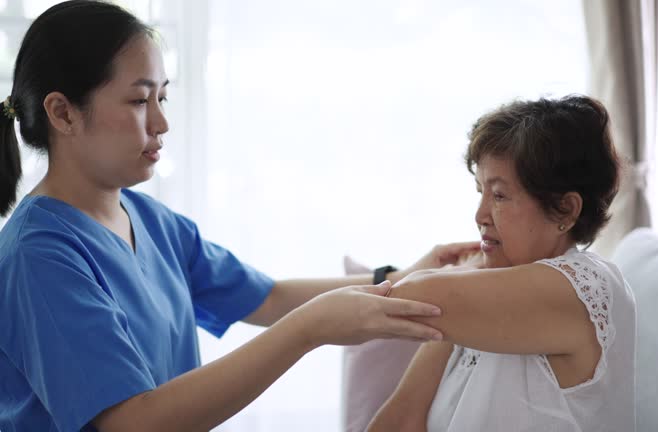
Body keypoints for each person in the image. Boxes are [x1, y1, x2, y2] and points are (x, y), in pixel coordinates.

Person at [0, 2, 480, 431]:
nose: (161, 122)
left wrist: (400, 278)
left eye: (162, 98)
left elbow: (267, 297)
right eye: (137, 100)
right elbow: (132, 422)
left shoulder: (149, 219)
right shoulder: (39, 256)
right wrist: (308, 331)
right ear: (63, 114)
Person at [368, 95, 636, 431]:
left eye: (499, 195)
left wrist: (457, 272)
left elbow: (414, 294)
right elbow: (400, 421)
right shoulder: (486, 292)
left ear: (566, 210)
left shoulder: (588, 286)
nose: (479, 215)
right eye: (480, 191)